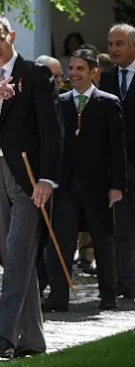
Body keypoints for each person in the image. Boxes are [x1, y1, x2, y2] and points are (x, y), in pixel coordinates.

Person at [0, 15, 60, 359]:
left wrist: (48, 179)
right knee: (15, 257)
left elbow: (52, 130)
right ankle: (32, 339)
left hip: (31, 177)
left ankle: (3, 336)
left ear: (11, 36)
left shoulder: (35, 74)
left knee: (19, 253)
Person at [42, 48, 125, 312]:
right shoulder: (60, 102)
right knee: (62, 241)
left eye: (80, 69)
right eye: (72, 68)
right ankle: (58, 297)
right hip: (65, 184)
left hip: (98, 185)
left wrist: (117, 185)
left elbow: (117, 147)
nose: (73, 74)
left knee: (103, 240)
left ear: (93, 72)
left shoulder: (108, 103)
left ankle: (109, 296)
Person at [100, 23, 135, 300]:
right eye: (111, 44)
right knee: (122, 227)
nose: (113, 49)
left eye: (119, 44)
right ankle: (126, 282)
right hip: (118, 167)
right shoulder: (107, 78)